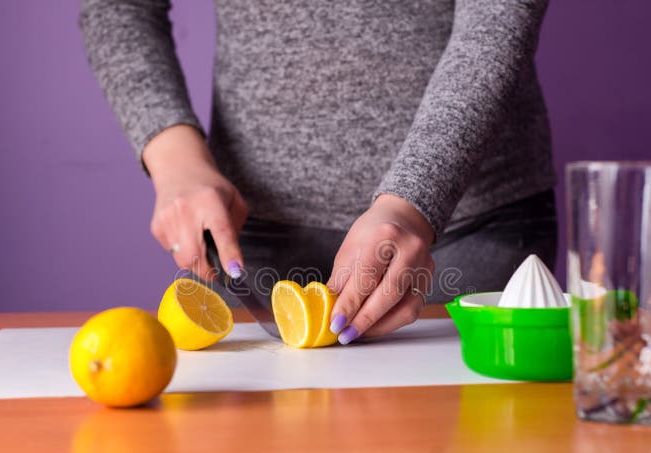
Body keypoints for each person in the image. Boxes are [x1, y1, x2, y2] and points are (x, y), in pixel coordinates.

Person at [80, 0, 557, 344]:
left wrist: (414, 201)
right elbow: (118, 8)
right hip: (252, 237)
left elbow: (499, 14)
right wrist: (176, 160)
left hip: (465, 223)